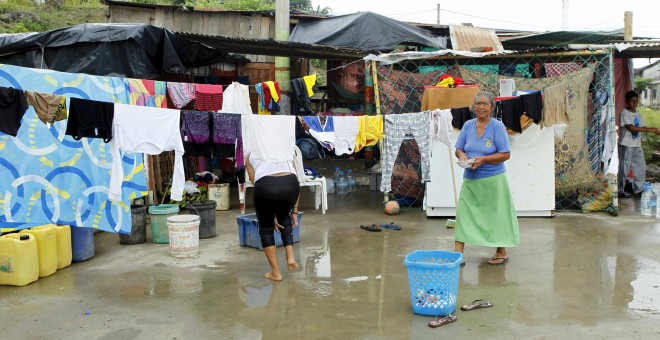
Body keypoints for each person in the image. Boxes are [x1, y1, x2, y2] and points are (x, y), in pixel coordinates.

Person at [453, 91, 519, 265]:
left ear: (492, 107)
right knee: (464, 215)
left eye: (484, 104)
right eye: (477, 104)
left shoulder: (497, 127)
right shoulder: (468, 125)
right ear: (473, 106)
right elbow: (459, 148)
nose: (480, 107)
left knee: (496, 216)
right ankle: (458, 255)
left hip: (493, 180)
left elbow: (505, 154)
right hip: (470, 180)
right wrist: (462, 156)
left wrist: (483, 160)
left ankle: (501, 251)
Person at [246, 152, 301, 281]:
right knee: (284, 216)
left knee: (266, 228)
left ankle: (276, 273)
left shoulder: (251, 155)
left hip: (265, 186)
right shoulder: (286, 151)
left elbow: (257, 184)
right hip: (290, 184)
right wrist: (294, 212)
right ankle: (290, 256)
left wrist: (270, 212)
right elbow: (296, 182)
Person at [617, 90, 660, 198]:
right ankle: (619, 190)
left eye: (636, 101)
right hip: (626, 145)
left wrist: (654, 130)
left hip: (636, 144)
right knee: (624, 167)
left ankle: (638, 190)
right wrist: (650, 130)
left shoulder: (638, 113)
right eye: (632, 101)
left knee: (640, 166)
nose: (635, 104)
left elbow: (643, 127)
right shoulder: (624, 112)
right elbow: (631, 128)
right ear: (627, 102)